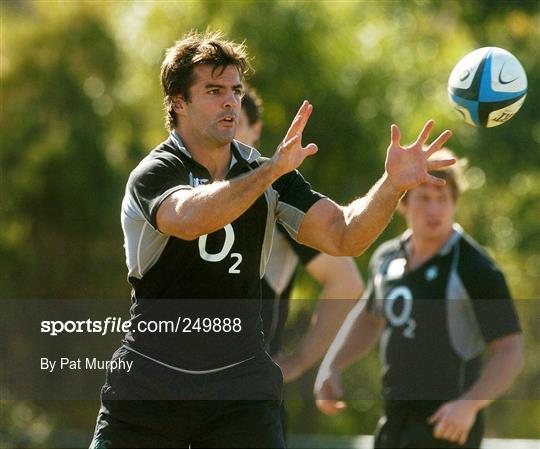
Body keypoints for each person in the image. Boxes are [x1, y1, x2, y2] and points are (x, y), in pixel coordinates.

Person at [90, 30, 454, 449]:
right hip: (151, 382)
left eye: (235, 90)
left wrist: (391, 187)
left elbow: (344, 235)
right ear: (178, 101)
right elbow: (189, 219)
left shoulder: (271, 174)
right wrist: (268, 172)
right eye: (213, 90)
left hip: (239, 386)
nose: (231, 101)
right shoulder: (156, 172)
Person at [314, 149, 524, 449]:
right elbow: (370, 315)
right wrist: (332, 365)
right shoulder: (386, 258)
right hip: (394, 424)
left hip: (447, 428)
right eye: (424, 197)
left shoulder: (475, 268)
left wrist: (469, 406)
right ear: (404, 203)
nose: (434, 209)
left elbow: (511, 350)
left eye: (444, 199)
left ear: (455, 203)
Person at [237, 88, 364, 437]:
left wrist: (296, 362)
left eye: (236, 122)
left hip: (251, 404)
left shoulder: (275, 198)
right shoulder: (181, 192)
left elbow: (347, 282)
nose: (227, 133)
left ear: (256, 130)